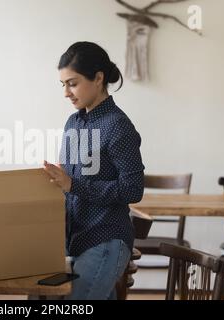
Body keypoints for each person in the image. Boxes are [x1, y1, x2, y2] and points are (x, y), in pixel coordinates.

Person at [43, 41, 145, 300]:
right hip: (75, 239)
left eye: (73, 83)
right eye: (63, 84)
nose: (66, 92)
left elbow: (133, 190)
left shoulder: (119, 127)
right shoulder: (73, 123)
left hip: (107, 239)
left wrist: (73, 185)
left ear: (98, 78)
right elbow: (69, 181)